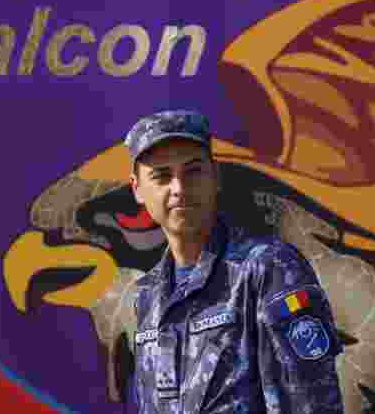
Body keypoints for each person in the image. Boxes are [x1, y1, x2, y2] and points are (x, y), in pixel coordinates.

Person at [126, 110, 345, 413]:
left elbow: (310, 403)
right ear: (137, 189)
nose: (178, 188)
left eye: (192, 172)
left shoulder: (268, 269)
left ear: (215, 176)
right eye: (162, 176)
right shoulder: (148, 295)